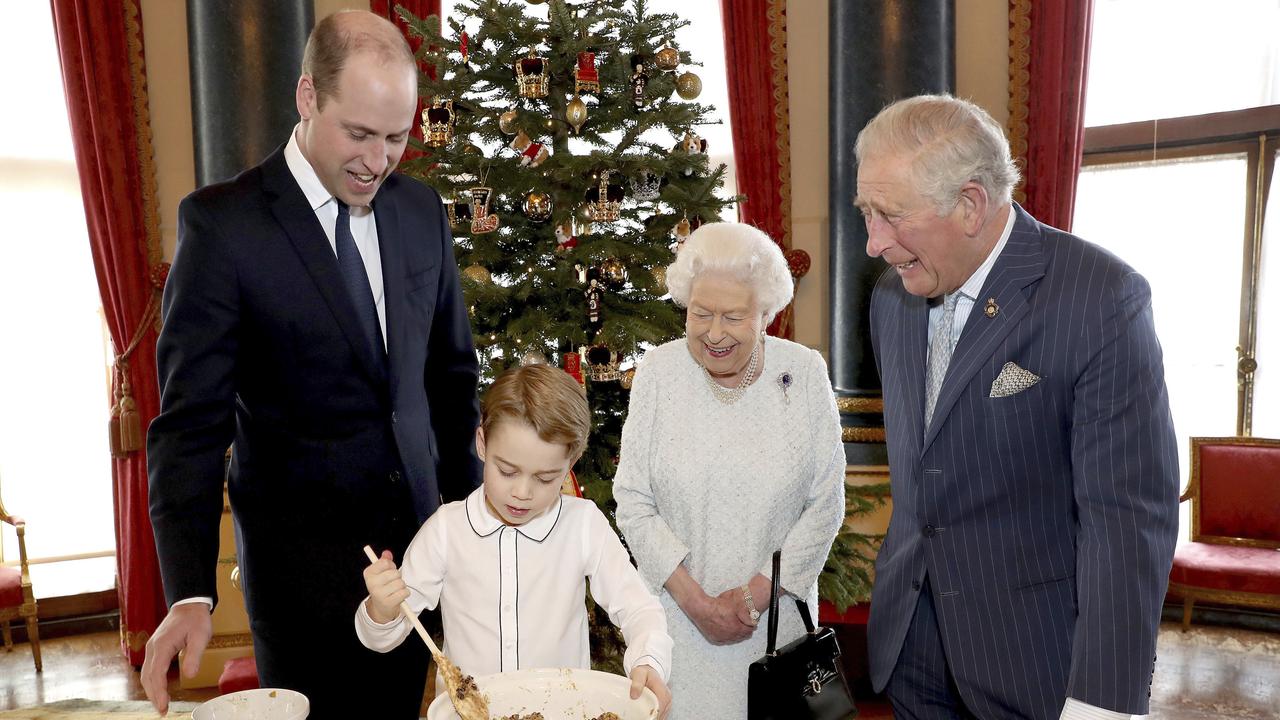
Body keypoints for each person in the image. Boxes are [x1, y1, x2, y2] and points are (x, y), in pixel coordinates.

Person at [141, 11, 481, 719]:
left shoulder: (420, 212)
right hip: (302, 584)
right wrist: (188, 591)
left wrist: (468, 529)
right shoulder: (224, 228)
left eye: (395, 138)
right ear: (306, 97)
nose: (377, 159)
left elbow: (450, 383)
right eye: (358, 133)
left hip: (420, 558)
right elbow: (190, 428)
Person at [857, 94, 1180, 720]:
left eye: (891, 216)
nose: (873, 243)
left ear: (971, 204)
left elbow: (1127, 519)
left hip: (1034, 663)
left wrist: (1102, 703)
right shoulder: (891, 299)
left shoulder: (1101, 299)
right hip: (911, 650)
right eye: (866, 213)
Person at [613, 222, 846, 719]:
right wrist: (697, 603)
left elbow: (825, 504)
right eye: (701, 314)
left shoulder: (804, 374)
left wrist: (752, 596)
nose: (714, 333)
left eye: (734, 317)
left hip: (776, 629)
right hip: (675, 626)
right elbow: (632, 500)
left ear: (766, 314)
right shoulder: (658, 372)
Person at [358, 364, 674, 718]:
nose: (522, 493)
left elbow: (640, 608)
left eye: (544, 478)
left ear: (571, 460)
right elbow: (383, 637)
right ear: (482, 444)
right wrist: (382, 610)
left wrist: (648, 659)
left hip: (563, 710)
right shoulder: (446, 530)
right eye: (507, 471)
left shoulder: (582, 525)